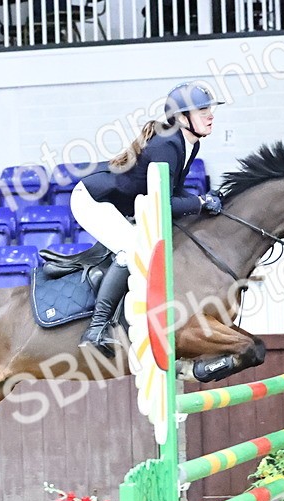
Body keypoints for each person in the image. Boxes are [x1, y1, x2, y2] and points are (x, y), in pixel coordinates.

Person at [70, 81, 226, 356]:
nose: (210, 115)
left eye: (209, 110)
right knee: (131, 252)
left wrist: (200, 202)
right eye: (202, 110)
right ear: (182, 118)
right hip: (93, 201)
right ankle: (95, 328)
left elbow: (173, 191)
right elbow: (161, 203)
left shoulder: (189, 144)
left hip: (118, 203)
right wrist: (201, 203)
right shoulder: (168, 145)